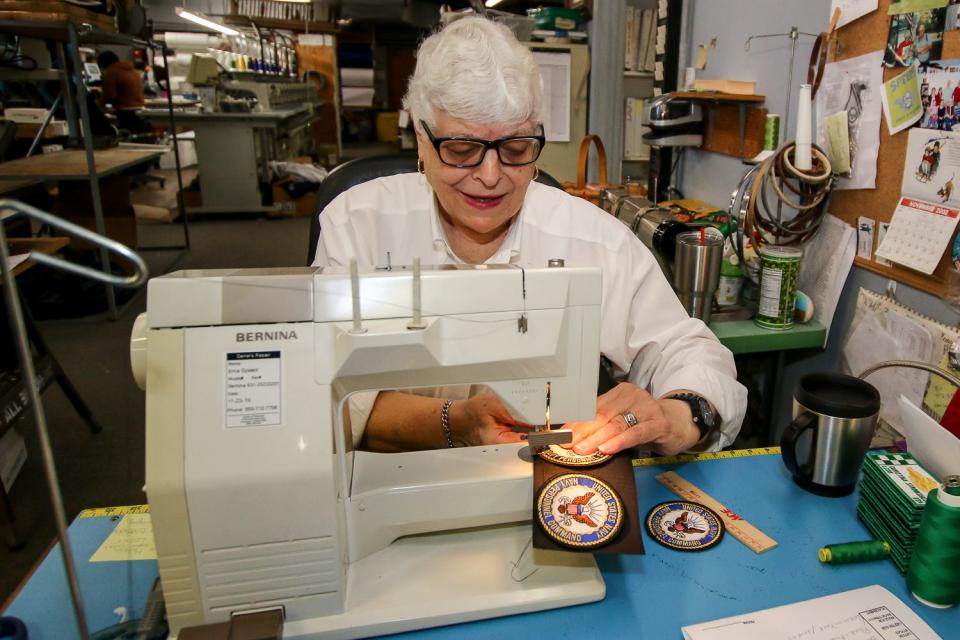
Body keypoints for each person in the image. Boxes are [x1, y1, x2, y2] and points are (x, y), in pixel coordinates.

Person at [312, 17, 746, 457]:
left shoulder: (592, 238)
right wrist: (459, 422)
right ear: (421, 140)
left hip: (540, 484)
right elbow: (323, 403)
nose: (490, 176)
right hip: (386, 481)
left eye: (516, 149)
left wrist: (678, 414)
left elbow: (687, 349)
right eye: (461, 151)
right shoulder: (357, 226)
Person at [97, 50, 149, 134]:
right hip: (139, 110)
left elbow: (110, 95)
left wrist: (99, 103)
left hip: (125, 112)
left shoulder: (112, 71)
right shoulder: (132, 70)